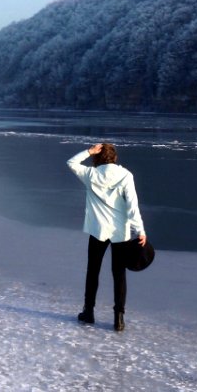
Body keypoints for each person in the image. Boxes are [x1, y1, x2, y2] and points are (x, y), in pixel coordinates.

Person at [66, 142, 147, 332]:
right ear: (115, 158)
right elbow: (132, 206)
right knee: (119, 275)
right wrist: (140, 230)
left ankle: (89, 312)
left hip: (98, 230)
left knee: (93, 271)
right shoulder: (126, 175)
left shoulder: (90, 175)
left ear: (97, 157)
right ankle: (119, 319)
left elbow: (71, 162)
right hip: (121, 232)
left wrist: (88, 151)